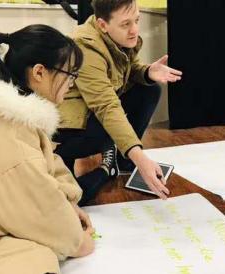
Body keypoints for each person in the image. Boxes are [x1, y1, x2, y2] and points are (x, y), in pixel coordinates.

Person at [0, 25, 95, 273]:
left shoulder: (19, 120)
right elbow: (36, 206)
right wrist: (77, 241)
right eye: (69, 75)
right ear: (40, 73)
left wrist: (70, 204)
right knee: (38, 259)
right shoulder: (8, 131)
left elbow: (48, 166)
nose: (71, 84)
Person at [55, 0, 182, 203]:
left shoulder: (112, 36)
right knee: (73, 198)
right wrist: (139, 157)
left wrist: (148, 72)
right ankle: (106, 168)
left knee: (149, 89)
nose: (134, 30)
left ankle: (120, 160)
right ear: (103, 25)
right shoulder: (85, 45)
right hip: (68, 128)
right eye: (126, 24)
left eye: (137, 21)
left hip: (90, 112)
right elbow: (106, 106)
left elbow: (128, 67)